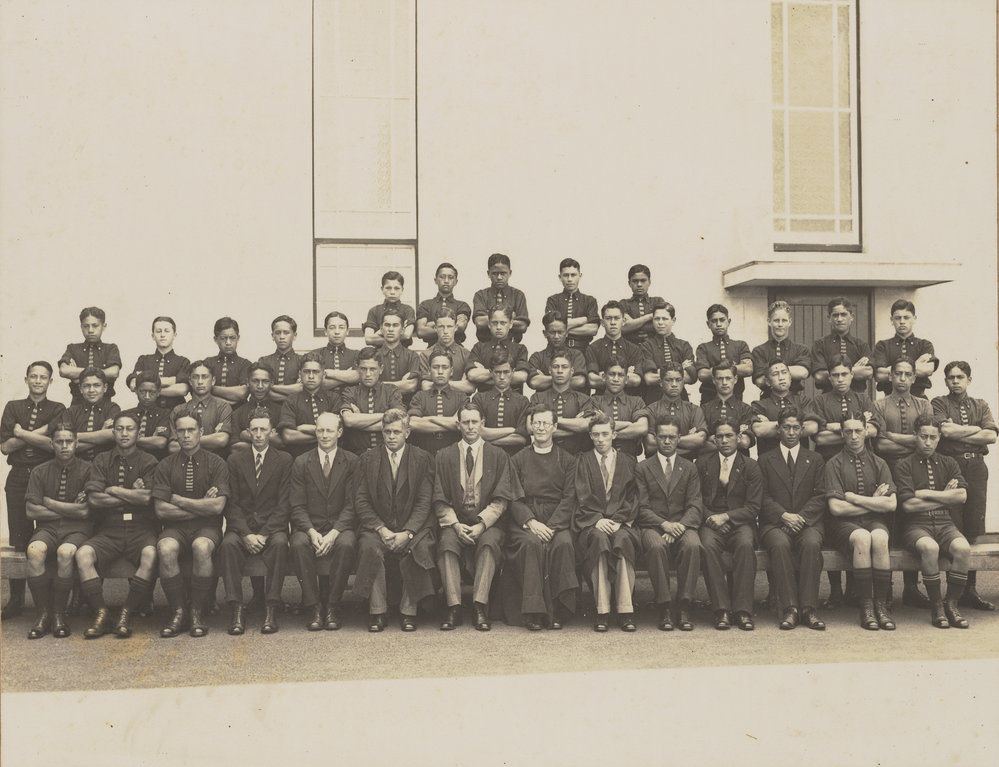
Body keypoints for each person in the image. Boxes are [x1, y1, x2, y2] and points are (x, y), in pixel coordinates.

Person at [432, 401, 523, 631]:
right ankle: (454, 606)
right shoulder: (444, 456)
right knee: (446, 544)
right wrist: (455, 525)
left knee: (489, 543)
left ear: (482, 423)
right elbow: (439, 497)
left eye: (475, 421)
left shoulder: (498, 455)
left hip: (487, 523)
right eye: (466, 422)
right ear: (458, 425)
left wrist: (482, 525)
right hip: (455, 522)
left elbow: (501, 499)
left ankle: (479, 605)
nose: (470, 426)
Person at [353, 409, 437, 632]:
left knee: (418, 547)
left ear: (407, 433)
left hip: (412, 527)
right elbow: (361, 501)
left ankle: (408, 611)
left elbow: (424, 502)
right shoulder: (368, 459)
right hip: (378, 526)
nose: (391, 436)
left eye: (396, 432)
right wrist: (380, 528)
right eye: (387, 432)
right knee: (369, 547)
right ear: (382, 432)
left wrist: (408, 532)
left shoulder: (422, 459)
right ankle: (378, 611)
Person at [78, 412, 159, 638]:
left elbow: (148, 499)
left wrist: (113, 490)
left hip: (141, 528)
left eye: (129, 429)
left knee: (151, 554)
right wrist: (132, 493)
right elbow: (94, 499)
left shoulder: (149, 460)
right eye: (120, 429)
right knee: (83, 554)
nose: (124, 433)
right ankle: (102, 614)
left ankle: (126, 612)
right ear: (113, 432)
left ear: (138, 432)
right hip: (109, 528)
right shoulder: (102, 460)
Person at [152, 411, 230, 638]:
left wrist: (177, 500)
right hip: (175, 528)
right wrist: (200, 504)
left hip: (207, 527)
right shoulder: (165, 465)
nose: (186, 435)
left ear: (201, 432)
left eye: (191, 430)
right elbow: (160, 510)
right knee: (165, 548)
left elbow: (217, 508)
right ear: (175, 434)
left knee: (202, 547)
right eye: (181, 431)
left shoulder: (217, 463)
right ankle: (178, 611)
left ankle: (197, 611)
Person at [503, 405, 578, 630]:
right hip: (527, 519)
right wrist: (531, 522)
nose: (541, 427)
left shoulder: (568, 460)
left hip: (557, 518)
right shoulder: (516, 459)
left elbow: (570, 497)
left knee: (563, 544)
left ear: (555, 427)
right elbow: (513, 498)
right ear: (530, 427)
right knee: (530, 544)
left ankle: (557, 611)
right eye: (537, 423)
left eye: (546, 423)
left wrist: (552, 526)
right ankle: (533, 612)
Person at [1, 361, 66, 618]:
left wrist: (21, 433)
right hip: (18, 476)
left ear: (51, 381)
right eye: (34, 376)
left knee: (49, 533)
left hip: (47, 475)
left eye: (44, 377)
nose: (38, 381)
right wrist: (38, 432)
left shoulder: (58, 408)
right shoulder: (13, 407)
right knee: (20, 538)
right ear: (26, 379)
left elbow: (53, 445)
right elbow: (5, 447)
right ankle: (16, 599)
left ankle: (48, 598)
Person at [932, 360, 998, 610]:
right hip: (952, 465)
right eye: (951, 377)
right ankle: (954, 593)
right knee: (954, 525)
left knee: (973, 526)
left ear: (969, 379)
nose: (955, 381)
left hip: (977, 467)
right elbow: (945, 432)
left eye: (960, 377)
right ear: (946, 380)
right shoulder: (939, 403)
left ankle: (970, 590)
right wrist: (975, 430)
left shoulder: (980, 404)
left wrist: (961, 430)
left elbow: (991, 435)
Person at [221, 407, 292, 635]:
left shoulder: (284, 460)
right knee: (229, 545)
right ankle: (236, 608)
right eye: (255, 430)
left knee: (280, 543)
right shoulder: (235, 460)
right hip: (244, 526)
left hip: (272, 527)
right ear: (248, 432)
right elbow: (231, 504)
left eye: (263, 429)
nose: (259, 434)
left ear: (271, 431)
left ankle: (271, 607)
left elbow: (284, 504)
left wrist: (264, 534)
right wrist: (245, 533)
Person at [895, 415, 971, 629]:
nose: (928, 442)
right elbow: (908, 506)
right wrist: (944, 498)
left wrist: (926, 493)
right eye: (923, 436)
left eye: (933, 437)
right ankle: (937, 606)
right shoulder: (904, 465)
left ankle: (952, 605)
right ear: (915, 436)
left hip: (946, 524)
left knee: (963, 548)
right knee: (929, 547)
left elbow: (961, 496)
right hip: (916, 525)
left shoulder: (949, 462)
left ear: (939, 439)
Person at [823, 412, 897, 630]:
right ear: (842, 434)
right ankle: (866, 608)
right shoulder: (833, 464)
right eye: (848, 431)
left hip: (873, 520)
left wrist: (855, 499)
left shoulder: (879, 463)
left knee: (880, 537)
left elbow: (891, 504)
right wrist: (874, 501)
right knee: (863, 538)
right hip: (842, 525)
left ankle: (880, 606)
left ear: (866, 431)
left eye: (858, 431)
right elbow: (836, 508)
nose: (854, 436)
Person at [756, 408, 827, 630]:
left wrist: (801, 518)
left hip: (808, 522)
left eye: (796, 427)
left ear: (803, 430)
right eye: (786, 427)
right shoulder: (765, 460)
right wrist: (783, 516)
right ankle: (789, 608)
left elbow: (820, 495)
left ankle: (808, 608)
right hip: (776, 522)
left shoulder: (815, 459)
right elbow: (762, 496)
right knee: (779, 544)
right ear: (778, 430)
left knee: (811, 543)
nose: (791, 432)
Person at [871, 356, 934, 607]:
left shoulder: (923, 404)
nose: (903, 379)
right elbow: (880, 443)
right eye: (898, 373)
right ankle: (885, 588)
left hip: (916, 469)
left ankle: (911, 587)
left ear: (914, 378)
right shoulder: (879, 405)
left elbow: (925, 440)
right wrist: (912, 440)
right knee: (888, 524)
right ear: (890, 376)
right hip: (887, 467)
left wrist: (894, 436)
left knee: (913, 522)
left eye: (908, 374)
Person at [288, 412, 358, 631]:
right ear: (315, 431)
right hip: (310, 526)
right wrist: (311, 531)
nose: (325, 435)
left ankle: (333, 606)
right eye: (320, 430)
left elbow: (353, 504)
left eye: (329, 430)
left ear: (339, 432)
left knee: (347, 544)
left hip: (340, 526)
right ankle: (314, 606)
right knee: (298, 544)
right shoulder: (301, 462)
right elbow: (297, 505)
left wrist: (334, 532)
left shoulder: (352, 461)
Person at [23, 423, 94, 639]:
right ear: (52, 444)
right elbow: (30, 510)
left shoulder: (88, 469)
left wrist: (49, 503)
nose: (64, 446)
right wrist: (67, 509)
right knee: (34, 551)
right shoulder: (40, 470)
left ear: (76, 443)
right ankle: (43, 614)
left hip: (77, 530)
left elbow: (84, 512)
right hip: (48, 529)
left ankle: (58, 615)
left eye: (69, 441)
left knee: (66, 553)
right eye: (59, 442)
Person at [572, 412, 641, 632]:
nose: (600, 439)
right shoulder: (581, 460)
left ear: (614, 434)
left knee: (622, 541)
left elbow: (634, 497)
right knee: (599, 543)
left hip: (621, 522)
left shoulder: (629, 461)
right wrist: (596, 520)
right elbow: (580, 495)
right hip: (593, 523)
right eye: (595, 435)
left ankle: (625, 610)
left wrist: (620, 520)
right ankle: (602, 610)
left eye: (605, 434)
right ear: (590, 436)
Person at [635, 418, 703, 631]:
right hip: (653, 525)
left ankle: (684, 605)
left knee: (693, 545)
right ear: (654, 438)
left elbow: (695, 505)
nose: (666, 441)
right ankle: (664, 605)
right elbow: (641, 507)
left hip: (682, 525)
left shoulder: (689, 467)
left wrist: (679, 527)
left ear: (679, 439)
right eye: (662, 437)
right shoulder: (643, 468)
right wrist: (664, 524)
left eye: (671, 437)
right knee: (656, 546)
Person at [696, 418, 763, 631]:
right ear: (714, 439)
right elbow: (695, 500)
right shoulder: (703, 463)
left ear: (739, 438)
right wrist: (710, 518)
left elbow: (753, 507)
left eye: (729, 436)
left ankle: (743, 610)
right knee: (707, 546)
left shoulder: (751, 466)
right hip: (710, 521)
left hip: (740, 521)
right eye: (720, 437)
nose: (724, 441)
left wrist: (726, 517)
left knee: (745, 545)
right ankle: (721, 610)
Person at [340, 347, 405, 454]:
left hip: (386, 454)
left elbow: (398, 422)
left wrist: (360, 421)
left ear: (381, 369)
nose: (368, 374)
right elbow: (349, 421)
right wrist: (387, 415)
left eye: (372, 369)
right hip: (357, 455)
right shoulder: (350, 391)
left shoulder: (391, 391)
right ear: (357, 369)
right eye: (363, 369)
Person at [528, 348, 595, 454]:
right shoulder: (537, 398)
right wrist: (574, 429)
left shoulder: (583, 399)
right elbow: (530, 428)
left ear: (572, 371)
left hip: (575, 457)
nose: (559, 371)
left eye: (564, 367)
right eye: (555, 367)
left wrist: (548, 421)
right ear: (550, 370)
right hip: (544, 456)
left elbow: (585, 425)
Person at [637, 363, 707, 459]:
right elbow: (650, 446)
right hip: (656, 467)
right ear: (660, 382)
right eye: (669, 380)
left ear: (683, 382)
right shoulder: (651, 410)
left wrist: (664, 441)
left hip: (687, 467)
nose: (674, 384)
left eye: (678, 380)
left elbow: (700, 439)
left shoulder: (694, 410)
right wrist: (687, 445)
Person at [277, 353, 341, 457]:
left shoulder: (333, 399)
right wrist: (326, 435)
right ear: (300, 374)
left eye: (315, 372)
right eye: (306, 372)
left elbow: (340, 433)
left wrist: (304, 428)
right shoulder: (292, 401)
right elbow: (288, 436)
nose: (311, 376)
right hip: (301, 459)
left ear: (323, 375)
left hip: (331, 458)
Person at [750, 360, 819, 456]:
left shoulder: (803, 401)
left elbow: (812, 427)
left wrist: (770, 425)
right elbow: (759, 430)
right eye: (775, 374)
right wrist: (797, 426)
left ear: (790, 378)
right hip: (769, 460)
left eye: (784, 372)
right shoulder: (759, 405)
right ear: (768, 382)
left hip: (800, 458)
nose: (781, 377)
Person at [872, 299, 938, 398]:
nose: (902, 322)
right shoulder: (883, 345)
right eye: (898, 318)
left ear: (914, 318)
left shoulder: (924, 345)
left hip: (919, 400)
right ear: (892, 320)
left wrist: (892, 371)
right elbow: (880, 375)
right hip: (889, 401)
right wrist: (916, 365)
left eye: (906, 317)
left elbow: (927, 370)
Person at [168, 360, 233, 455]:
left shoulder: (223, 407)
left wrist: (186, 441)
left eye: (205, 377)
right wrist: (211, 439)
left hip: (214, 464)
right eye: (195, 377)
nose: (200, 382)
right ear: (190, 381)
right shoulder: (178, 410)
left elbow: (221, 440)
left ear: (213, 380)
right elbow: (173, 447)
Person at [470, 352, 530, 455]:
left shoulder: (522, 401)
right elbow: (478, 432)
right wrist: (512, 430)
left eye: (506, 372)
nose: (502, 377)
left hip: (513, 457)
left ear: (513, 372)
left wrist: (486, 440)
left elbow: (521, 439)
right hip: (485, 456)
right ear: (491, 372)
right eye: (497, 372)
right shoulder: (479, 398)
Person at [58, 306, 122, 404]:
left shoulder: (110, 348)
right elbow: (63, 370)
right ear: (81, 327)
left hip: (105, 406)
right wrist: (102, 373)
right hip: (77, 406)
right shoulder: (73, 348)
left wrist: (78, 376)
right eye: (86, 326)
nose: (90, 330)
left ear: (104, 326)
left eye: (95, 325)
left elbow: (113, 372)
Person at [638, 299, 696, 404]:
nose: (660, 322)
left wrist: (659, 372)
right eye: (657, 319)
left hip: (681, 402)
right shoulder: (647, 346)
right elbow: (649, 379)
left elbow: (691, 378)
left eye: (664, 319)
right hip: (654, 402)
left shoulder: (684, 346)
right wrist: (679, 369)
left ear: (673, 320)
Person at [810, 298, 873, 394]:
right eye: (835, 315)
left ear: (851, 317)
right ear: (829, 318)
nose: (839, 319)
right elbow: (819, 376)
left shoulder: (861, 345)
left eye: (843, 314)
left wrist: (831, 372)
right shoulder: (820, 345)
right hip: (828, 399)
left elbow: (868, 372)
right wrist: (853, 370)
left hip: (857, 398)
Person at [407, 351, 465, 454]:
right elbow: (413, 423)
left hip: (453, 455)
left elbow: (463, 425)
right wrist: (451, 422)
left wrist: (429, 419)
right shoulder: (420, 396)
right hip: (425, 455)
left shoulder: (461, 397)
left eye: (445, 367)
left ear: (451, 371)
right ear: (429, 371)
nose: (440, 371)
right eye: (436, 367)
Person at [694, 304, 753, 403]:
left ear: (728, 322)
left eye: (722, 320)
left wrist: (715, 370)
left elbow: (748, 369)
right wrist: (735, 368)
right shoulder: (703, 348)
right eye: (714, 321)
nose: (719, 324)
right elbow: (703, 374)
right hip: (709, 400)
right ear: (708, 324)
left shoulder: (740, 345)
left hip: (736, 399)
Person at [589, 359, 649, 457]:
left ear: (626, 379)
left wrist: (605, 431)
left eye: (620, 375)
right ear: (604, 377)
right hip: (599, 460)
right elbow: (592, 427)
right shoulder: (594, 401)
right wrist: (629, 424)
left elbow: (641, 428)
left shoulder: (636, 401)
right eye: (612, 374)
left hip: (629, 461)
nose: (616, 379)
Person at [129, 316, 191, 410]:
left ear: (174, 335)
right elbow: (133, 385)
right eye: (158, 331)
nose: (162, 335)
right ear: (153, 336)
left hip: (175, 411)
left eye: (167, 331)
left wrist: (147, 387)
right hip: (148, 410)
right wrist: (172, 380)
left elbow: (183, 390)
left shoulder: (183, 361)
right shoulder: (144, 360)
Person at [751, 300, 811, 395]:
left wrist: (770, 373)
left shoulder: (801, 349)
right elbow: (759, 380)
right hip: (768, 401)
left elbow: (803, 372)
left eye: (784, 320)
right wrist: (790, 372)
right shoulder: (759, 351)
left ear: (789, 322)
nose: (780, 324)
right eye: (776, 320)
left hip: (795, 400)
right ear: (769, 321)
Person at [467, 304, 530, 393]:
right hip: (484, 401)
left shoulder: (519, 349)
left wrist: (486, 374)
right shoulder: (479, 348)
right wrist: (507, 374)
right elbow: (472, 375)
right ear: (489, 324)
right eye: (494, 323)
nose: (499, 327)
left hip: (513, 401)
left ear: (511, 324)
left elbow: (522, 376)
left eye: (503, 323)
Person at [60, 367, 120, 461]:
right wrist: (100, 435)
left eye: (96, 385)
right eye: (87, 386)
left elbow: (111, 435)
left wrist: (74, 435)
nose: (91, 390)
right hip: (77, 466)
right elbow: (66, 444)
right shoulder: (71, 412)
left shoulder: (112, 408)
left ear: (105, 388)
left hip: (105, 466)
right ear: (80, 389)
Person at [585, 301, 642, 394]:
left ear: (623, 321)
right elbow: (592, 380)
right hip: (600, 400)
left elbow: (636, 380)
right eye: (608, 318)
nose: (612, 322)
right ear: (602, 322)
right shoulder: (593, 348)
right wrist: (625, 376)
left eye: (616, 318)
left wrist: (603, 376)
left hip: (628, 403)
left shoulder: (634, 349)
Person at [472, 252, 530, 343]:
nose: (499, 277)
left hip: (512, 346)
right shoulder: (481, 295)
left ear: (510, 273)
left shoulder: (518, 295)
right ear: (488, 273)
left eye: (503, 273)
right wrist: (511, 317)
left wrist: (490, 317)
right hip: (485, 346)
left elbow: (523, 326)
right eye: (495, 273)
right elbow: (479, 322)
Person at [543, 258, 600, 351]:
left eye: (573, 275)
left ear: (580, 276)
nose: (569, 279)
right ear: (560, 277)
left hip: (582, 350)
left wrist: (562, 329)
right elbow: (551, 326)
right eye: (566, 275)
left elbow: (593, 329)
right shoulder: (553, 300)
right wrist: (583, 320)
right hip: (557, 350)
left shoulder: (589, 301)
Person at [699, 362, 755, 456]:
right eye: (720, 378)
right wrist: (734, 436)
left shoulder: (745, 409)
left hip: (739, 463)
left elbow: (745, 442)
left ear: (735, 379)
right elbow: (700, 443)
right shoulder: (704, 409)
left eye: (728, 378)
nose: (724, 383)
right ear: (713, 380)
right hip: (709, 463)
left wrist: (712, 438)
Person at [229, 362, 284, 454]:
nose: (260, 386)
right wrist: (269, 438)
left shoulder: (281, 411)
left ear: (272, 383)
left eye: (265, 381)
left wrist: (245, 435)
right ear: (247, 382)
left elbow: (282, 444)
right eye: (255, 381)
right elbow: (235, 448)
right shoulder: (237, 413)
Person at [527, 312, 588, 392]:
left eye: (560, 332)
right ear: (545, 333)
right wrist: (567, 378)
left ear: (566, 333)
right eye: (552, 332)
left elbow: (579, 381)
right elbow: (534, 382)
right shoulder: (537, 357)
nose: (556, 336)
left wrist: (545, 378)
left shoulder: (576, 355)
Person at [418, 308, 473, 394]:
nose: (445, 331)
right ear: (435, 328)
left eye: (449, 326)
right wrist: (460, 384)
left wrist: (437, 383)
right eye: (441, 327)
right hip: (433, 402)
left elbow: (470, 387)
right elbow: (425, 387)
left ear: (455, 328)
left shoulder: (466, 354)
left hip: (459, 404)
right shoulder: (426, 355)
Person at [372, 309, 421, 404]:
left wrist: (378, 385)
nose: (390, 329)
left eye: (395, 325)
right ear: (381, 329)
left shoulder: (412, 356)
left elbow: (411, 386)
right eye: (387, 325)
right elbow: (367, 385)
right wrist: (401, 385)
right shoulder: (373, 355)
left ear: (402, 330)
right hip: (378, 405)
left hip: (406, 405)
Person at [416, 262, 472, 346]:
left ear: (455, 281)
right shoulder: (426, 305)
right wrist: (450, 325)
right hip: (432, 350)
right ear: (436, 280)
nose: (446, 281)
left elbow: (460, 326)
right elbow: (421, 331)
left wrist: (431, 324)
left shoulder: (462, 306)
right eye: (442, 277)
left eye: (450, 277)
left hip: (456, 351)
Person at [203, 317, 252, 409]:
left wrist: (210, 388)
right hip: (211, 412)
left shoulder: (245, 364)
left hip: (238, 412)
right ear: (215, 339)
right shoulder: (208, 363)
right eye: (223, 338)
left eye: (232, 338)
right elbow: (198, 392)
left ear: (238, 338)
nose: (228, 342)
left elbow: (242, 393)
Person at [121, 371, 172, 458]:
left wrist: (130, 439)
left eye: (151, 392)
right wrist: (151, 439)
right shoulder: (126, 414)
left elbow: (161, 442)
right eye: (142, 392)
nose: (147, 396)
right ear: (136, 391)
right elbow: (119, 440)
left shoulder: (165, 414)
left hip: (156, 464)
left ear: (158, 392)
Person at [363, 270, 417, 347]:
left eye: (396, 288)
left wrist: (379, 333)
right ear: (382, 289)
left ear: (402, 289)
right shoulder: (374, 311)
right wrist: (398, 333)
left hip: (403, 354)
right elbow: (368, 339)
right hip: (379, 355)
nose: (392, 292)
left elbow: (407, 335)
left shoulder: (407, 310)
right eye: (388, 288)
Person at [258, 315, 303, 403]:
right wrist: (293, 395)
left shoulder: (302, 360)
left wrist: (271, 386)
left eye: (286, 332)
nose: (282, 337)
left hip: (295, 409)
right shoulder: (264, 361)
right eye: (278, 333)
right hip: (269, 409)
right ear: (272, 335)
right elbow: (263, 390)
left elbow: (302, 389)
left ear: (294, 335)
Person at [313, 311, 360, 394]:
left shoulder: (356, 355)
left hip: (349, 401)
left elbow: (359, 376)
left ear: (347, 331)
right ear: (325, 331)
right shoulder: (315, 354)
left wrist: (328, 372)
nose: (337, 332)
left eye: (341, 327)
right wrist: (347, 377)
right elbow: (318, 383)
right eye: (332, 327)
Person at [620, 263, 665, 347]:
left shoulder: (658, 301)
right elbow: (622, 328)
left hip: (655, 349)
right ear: (629, 283)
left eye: (643, 280)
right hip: (629, 349)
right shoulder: (623, 304)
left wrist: (633, 324)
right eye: (635, 281)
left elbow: (662, 326)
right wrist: (650, 317)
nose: (639, 284)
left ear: (649, 282)